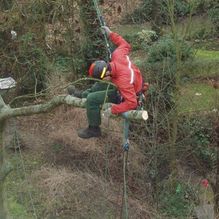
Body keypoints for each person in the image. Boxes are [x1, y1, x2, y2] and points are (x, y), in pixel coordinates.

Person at [75, 26, 144, 139]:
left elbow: (132, 103)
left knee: (92, 99)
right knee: (100, 85)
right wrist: (110, 34)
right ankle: (82, 94)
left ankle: (94, 129)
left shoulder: (123, 81)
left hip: (124, 95)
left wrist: (113, 110)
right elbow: (125, 45)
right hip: (124, 82)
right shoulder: (117, 55)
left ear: (105, 73)